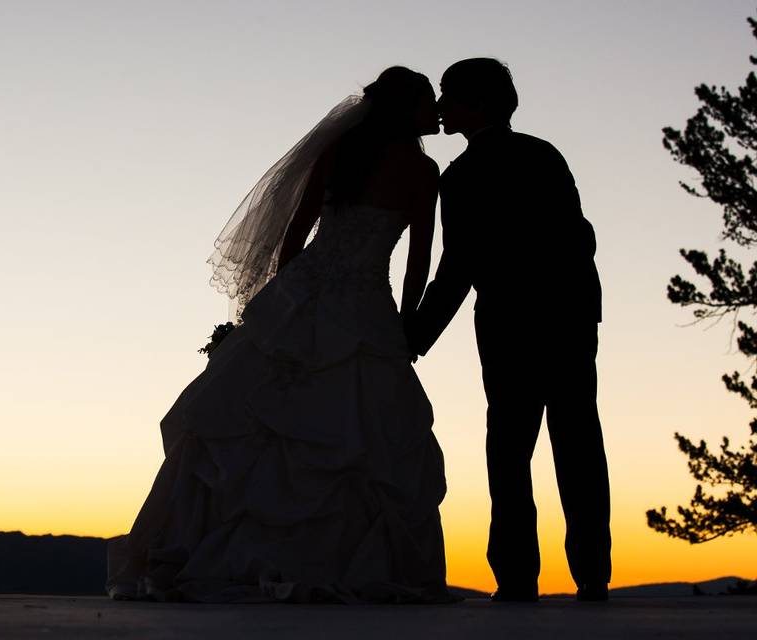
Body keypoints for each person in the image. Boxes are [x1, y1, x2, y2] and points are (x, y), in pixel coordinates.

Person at [107, 66, 454, 604]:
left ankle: (225, 552)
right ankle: (337, 562)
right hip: (363, 303)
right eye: (427, 102)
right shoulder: (423, 171)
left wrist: (286, 296)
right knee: (360, 428)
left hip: (305, 288)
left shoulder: (343, 153)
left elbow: (296, 232)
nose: (435, 111)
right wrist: (406, 322)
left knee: (256, 418)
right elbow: (419, 258)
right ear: (404, 110)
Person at [409, 58, 611, 602]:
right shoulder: (543, 154)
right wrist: (583, 309)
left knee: (510, 449)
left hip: (509, 326)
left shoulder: (460, 177)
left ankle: (518, 578)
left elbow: (457, 268)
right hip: (568, 319)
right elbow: (579, 238)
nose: (440, 107)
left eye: (449, 96)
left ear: (476, 103)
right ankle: (592, 575)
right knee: (578, 445)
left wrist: (415, 337)